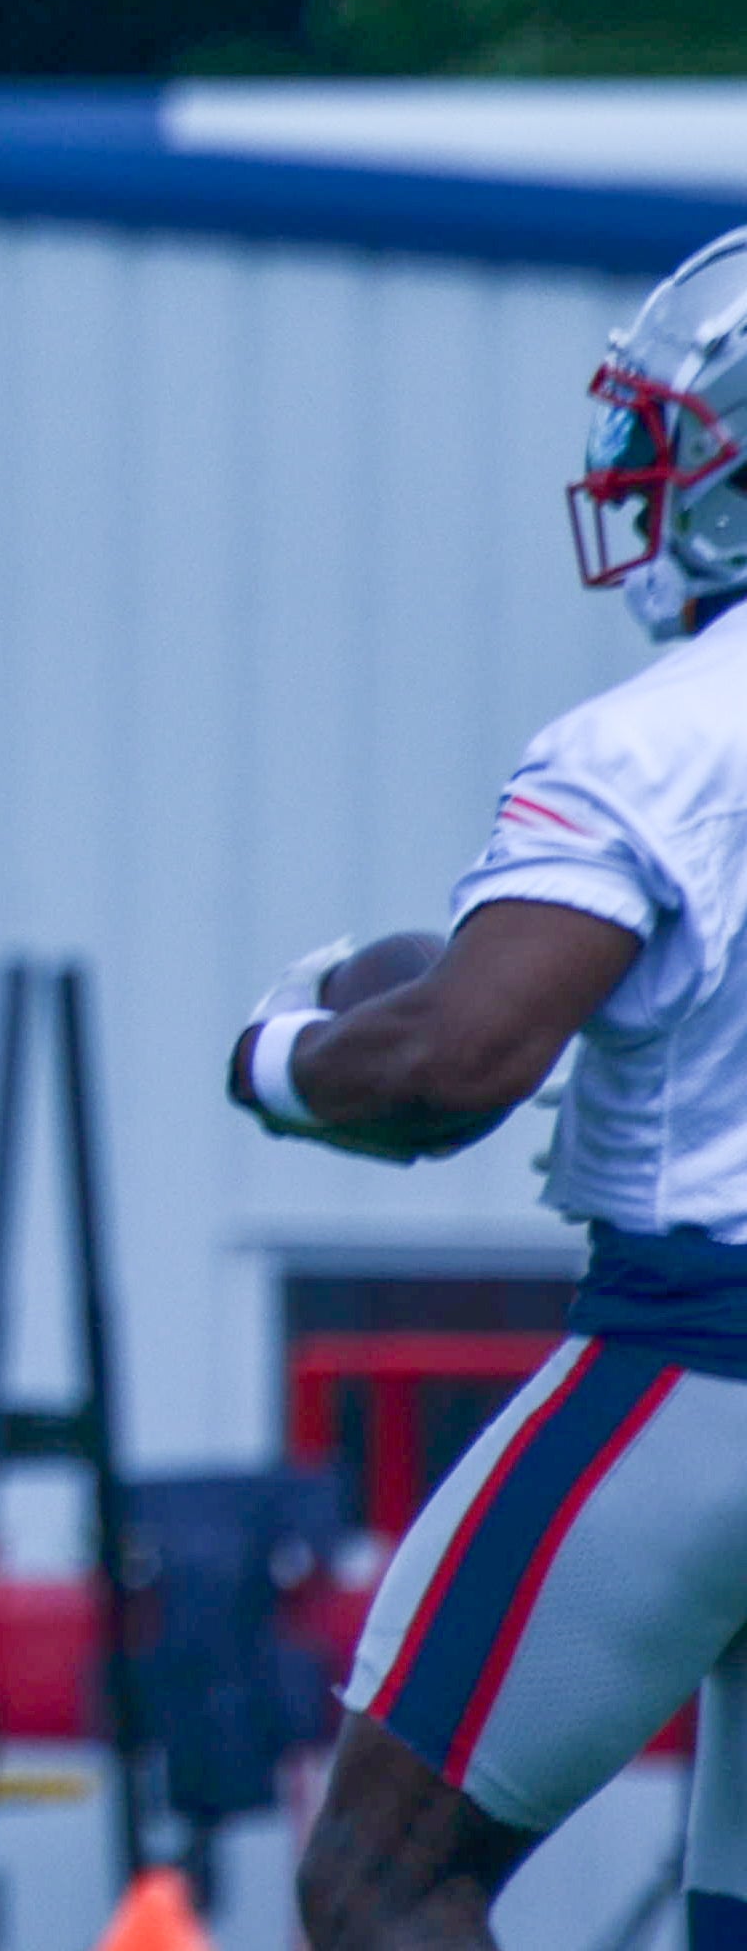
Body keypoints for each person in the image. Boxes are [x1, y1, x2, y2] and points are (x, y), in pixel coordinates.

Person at [233, 222, 747, 1951]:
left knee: (381, 1877)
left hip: (701, 1357)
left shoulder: (660, 735)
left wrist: (278, 1052)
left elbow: (454, 1063)